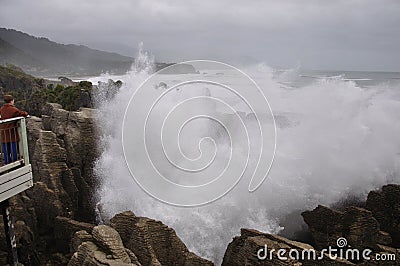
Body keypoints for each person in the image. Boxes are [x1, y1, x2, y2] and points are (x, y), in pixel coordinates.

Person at [0, 95, 28, 164]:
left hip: (4, 133)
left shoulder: (2, 109)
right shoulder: (12, 109)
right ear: (11, 101)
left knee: (6, 150)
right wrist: (26, 113)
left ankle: (7, 163)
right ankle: (14, 163)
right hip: (12, 133)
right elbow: (22, 113)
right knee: (13, 149)